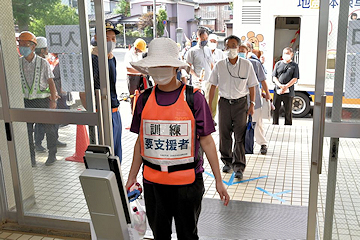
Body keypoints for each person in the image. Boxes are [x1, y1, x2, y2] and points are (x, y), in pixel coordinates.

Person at [125, 38, 229, 240]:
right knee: (159, 234)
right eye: (155, 66)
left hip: (187, 185)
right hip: (153, 183)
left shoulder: (194, 98)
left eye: (164, 65)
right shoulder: (144, 99)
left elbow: (207, 141)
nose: (159, 70)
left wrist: (219, 180)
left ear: (175, 67)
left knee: (187, 235)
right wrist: (132, 176)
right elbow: (141, 142)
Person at [208, 35, 258, 179]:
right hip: (224, 103)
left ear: (239, 47)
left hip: (241, 104)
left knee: (239, 136)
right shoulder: (220, 65)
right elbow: (212, 86)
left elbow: (252, 86)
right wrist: (209, 106)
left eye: (234, 45)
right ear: (224, 48)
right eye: (228, 46)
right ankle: (227, 161)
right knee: (224, 134)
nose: (231, 48)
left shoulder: (247, 65)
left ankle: (239, 167)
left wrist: (252, 104)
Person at [79, 22, 122, 160]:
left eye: (113, 39)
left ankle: (117, 179)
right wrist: (94, 113)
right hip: (101, 112)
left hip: (114, 110)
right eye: (107, 38)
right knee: (104, 153)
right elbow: (84, 91)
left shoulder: (111, 57)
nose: (110, 42)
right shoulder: (92, 59)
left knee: (116, 152)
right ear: (96, 38)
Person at [18, 31, 59, 167]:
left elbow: (51, 82)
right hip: (26, 101)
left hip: (42, 100)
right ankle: (31, 158)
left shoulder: (43, 63)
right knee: (27, 131)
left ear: (33, 47)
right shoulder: (18, 63)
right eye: (20, 44)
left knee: (49, 129)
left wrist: (53, 100)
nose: (22, 47)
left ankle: (52, 154)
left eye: (25, 44)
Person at [34, 37, 67, 152]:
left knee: (53, 121)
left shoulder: (46, 61)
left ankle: (54, 140)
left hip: (52, 95)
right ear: (42, 50)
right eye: (46, 48)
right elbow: (47, 81)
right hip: (44, 97)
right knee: (41, 123)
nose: (48, 50)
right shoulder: (38, 62)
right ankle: (38, 143)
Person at [239, 44, 272, 155]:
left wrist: (267, 94)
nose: (240, 52)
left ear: (248, 51)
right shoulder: (234, 64)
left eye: (243, 50)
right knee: (241, 124)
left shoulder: (255, 64)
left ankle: (263, 144)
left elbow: (263, 80)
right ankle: (243, 145)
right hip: (240, 100)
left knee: (257, 123)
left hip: (255, 100)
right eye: (239, 50)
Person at [186, 28, 213, 105]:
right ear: (198, 38)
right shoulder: (192, 51)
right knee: (198, 103)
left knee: (208, 103)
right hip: (198, 82)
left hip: (208, 81)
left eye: (206, 38)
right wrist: (196, 77)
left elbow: (211, 65)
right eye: (203, 38)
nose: (205, 40)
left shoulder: (208, 50)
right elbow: (189, 67)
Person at [272, 47, 299, 125]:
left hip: (288, 91)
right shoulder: (278, 64)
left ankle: (288, 125)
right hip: (278, 90)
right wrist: (280, 85)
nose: (286, 55)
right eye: (284, 53)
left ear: (291, 54)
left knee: (288, 110)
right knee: (275, 108)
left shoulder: (294, 65)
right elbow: (274, 77)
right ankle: (275, 123)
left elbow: (295, 78)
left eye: (288, 53)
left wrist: (286, 86)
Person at [124, 38, 147, 112]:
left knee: (142, 96)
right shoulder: (129, 54)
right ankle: (133, 113)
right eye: (140, 50)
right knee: (133, 97)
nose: (141, 52)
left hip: (140, 77)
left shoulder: (140, 54)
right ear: (136, 48)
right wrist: (140, 71)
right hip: (132, 78)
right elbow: (129, 69)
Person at [208, 33, 225, 121]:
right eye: (211, 41)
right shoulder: (205, 51)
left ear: (217, 43)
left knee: (214, 101)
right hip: (205, 81)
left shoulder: (220, 53)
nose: (212, 43)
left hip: (217, 82)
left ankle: (212, 119)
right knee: (206, 101)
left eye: (214, 41)